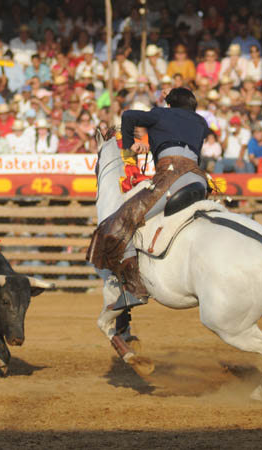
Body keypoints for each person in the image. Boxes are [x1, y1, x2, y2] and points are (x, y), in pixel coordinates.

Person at [87, 88, 209, 308]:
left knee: (123, 220)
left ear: (169, 105)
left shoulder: (161, 113)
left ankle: (135, 288)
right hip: (200, 181)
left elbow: (128, 116)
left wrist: (129, 147)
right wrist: (151, 144)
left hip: (172, 179)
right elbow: (176, 138)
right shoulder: (201, 122)